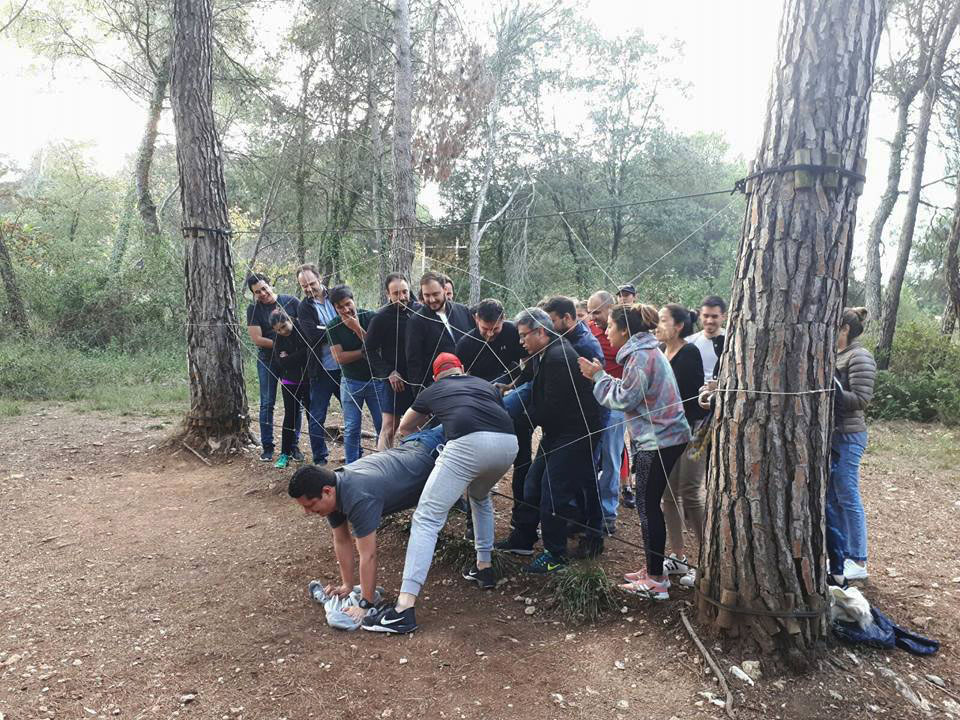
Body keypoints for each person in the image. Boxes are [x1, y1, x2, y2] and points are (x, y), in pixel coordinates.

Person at [362, 354, 518, 634]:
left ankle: (403, 609)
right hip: (508, 443)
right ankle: (485, 567)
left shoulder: (433, 390)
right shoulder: (483, 384)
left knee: (427, 518)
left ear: (436, 377)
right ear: (462, 369)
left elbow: (405, 427)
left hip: (468, 444)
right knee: (480, 497)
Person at [579, 304, 691, 601]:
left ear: (625, 330)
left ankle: (656, 581)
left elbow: (624, 399)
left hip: (659, 440)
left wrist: (598, 377)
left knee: (646, 504)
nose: (605, 331)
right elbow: (633, 391)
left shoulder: (640, 357)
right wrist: (604, 376)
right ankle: (653, 568)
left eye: (610, 327)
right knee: (648, 503)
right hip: (663, 437)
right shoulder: (643, 353)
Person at [289, 426, 446, 621]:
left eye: (310, 505)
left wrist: (366, 603)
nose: (308, 512)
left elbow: (368, 554)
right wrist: (347, 585)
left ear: (327, 491)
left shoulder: (357, 497)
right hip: (416, 447)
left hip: (435, 449)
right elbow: (342, 540)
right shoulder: (334, 490)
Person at [499, 308, 605, 570]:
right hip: (557, 432)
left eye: (524, 336)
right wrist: (509, 387)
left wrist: (516, 420)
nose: (521, 341)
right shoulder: (544, 352)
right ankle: (523, 537)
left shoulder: (558, 356)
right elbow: (531, 381)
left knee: (552, 490)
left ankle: (555, 555)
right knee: (533, 483)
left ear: (541, 332)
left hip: (575, 434)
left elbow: (551, 407)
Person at [656, 304, 707, 586]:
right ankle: (677, 557)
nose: (658, 325)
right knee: (668, 494)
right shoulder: (662, 352)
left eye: (663, 321)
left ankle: (708, 560)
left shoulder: (689, 353)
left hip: (693, 431)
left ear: (678, 326)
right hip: (667, 432)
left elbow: (688, 399)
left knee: (689, 491)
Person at [826, 307, 877, 585]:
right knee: (833, 498)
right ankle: (841, 554)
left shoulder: (860, 356)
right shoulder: (836, 355)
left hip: (849, 435)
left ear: (844, 328)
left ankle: (858, 559)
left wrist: (831, 387)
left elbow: (860, 399)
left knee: (848, 495)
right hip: (832, 435)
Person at [246, 273, 302, 462]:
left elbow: (301, 329)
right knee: (267, 403)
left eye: (264, 288)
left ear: (270, 285)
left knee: (294, 404)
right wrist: (281, 345)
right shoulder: (253, 309)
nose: (262, 293)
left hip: (292, 361)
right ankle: (268, 447)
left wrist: (290, 350)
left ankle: (293, 446)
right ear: (254, 294)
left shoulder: (291, 301)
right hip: (268, 360)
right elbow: (257, 338)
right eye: (257, 292)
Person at [326, 285, 383, 464]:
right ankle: (352, 465)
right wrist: (366, 351)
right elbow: (339, 358)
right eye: (339, 307)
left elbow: (379, 349)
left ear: (354, 300)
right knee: (351, 428)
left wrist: (357, 329)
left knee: (382, 425)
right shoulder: (333, 326)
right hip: (351, 382)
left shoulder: (371, 317)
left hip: (376, 381)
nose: (345, 310)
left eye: (348, 304)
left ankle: (383, 462)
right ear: (334, 308)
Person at [586, 290, 627, 531]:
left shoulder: (624, 332)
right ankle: (587, 509)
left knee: (611, 458)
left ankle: (608, 512)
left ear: (610, 309)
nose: (593, 317)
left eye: (597, 312)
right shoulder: (590, 330)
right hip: (593, 402)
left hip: (616, 405)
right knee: (589, 456)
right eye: (590, 312)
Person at [364, 273, 419, 450]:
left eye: (405, 292)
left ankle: (416, 463)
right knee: (389, 427)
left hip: (418, 378)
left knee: (419, 426)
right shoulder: (380, 318)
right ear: (388, 295)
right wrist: (389, 372)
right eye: (396, 293)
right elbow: (367, 350)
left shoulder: (419, 311)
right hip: (395, 380)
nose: (402, 297)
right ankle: (381, 469)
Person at [296, 264, 341, 465]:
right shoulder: (304, 307)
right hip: (320, 371)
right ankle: (320, 459)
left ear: (320, 278)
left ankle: (355, 453)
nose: (308, 288)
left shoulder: (337, 295)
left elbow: (351, 318)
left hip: (345, 368)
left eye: (311, 283)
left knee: (352, 414)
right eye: (304, 285)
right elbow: (312, 336)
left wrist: (325, 330)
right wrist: (338, 328)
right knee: (316, 416)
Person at [405, 271, 475, 395]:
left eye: (435, 294)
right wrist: (421, 395)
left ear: (444, 289)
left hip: (470, 383)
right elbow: (414, 363)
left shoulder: (462, 311)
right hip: (439, 389)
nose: (431, 300)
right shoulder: (416, 321)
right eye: (427, 295)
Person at [270, 309, 311, 469]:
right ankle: (284, 454)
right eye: (278, 330)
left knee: (312, 415)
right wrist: (294, 357)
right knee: (290, 417)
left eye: (284, 326)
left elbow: (309, 351)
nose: (282, 331)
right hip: (289, 381)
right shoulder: (278, 339)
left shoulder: (302, 328)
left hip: (308, 380)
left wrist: (290, 357)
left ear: (289, 320)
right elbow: (281, 363)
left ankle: (319, 452)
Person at [454, 298, 524, 383]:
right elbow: (458, 377)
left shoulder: (514, 332)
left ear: (503, 318)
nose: (490, 334)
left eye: (496, 329)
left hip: (512, 386)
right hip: (479, 388)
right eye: (485, 328)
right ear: (477, 319)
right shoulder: (465, 344)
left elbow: (528, 360)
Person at [542, 296, 603, 363]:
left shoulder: (587, 347)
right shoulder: (567, 333)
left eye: (552, 321)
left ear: (567, 318)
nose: (548, 327)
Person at [687, 295, 726, 381]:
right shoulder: (690, 342)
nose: (710, 321)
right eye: (706, 316)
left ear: (723, 317)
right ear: (700, 316)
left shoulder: (731, 342)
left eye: (714, 316)